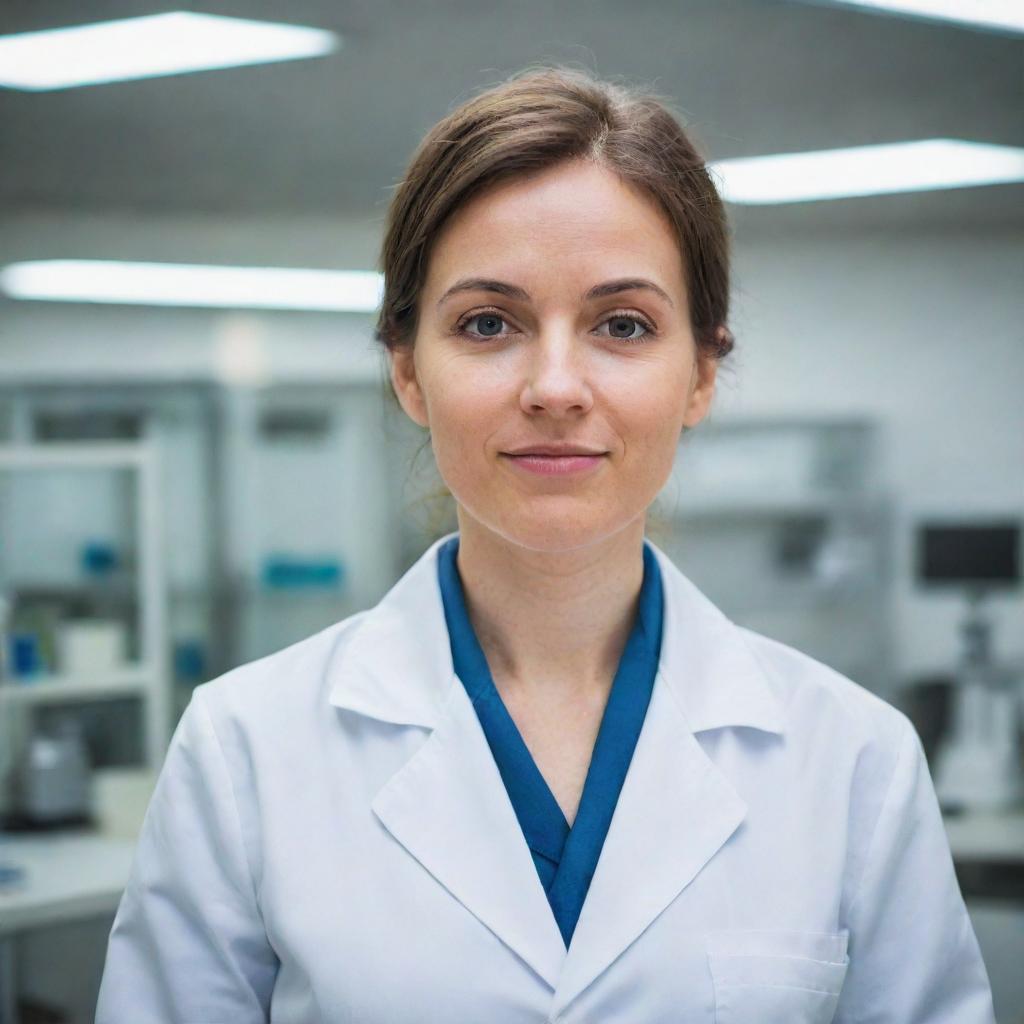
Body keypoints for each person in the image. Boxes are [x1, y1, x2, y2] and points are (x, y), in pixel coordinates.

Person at [95, 65, 995, 1023]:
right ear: (407, 371)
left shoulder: (852, 760)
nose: (556, 386)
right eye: (488, 324)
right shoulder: (246, 749)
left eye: (623, 325)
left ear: (700, 374)